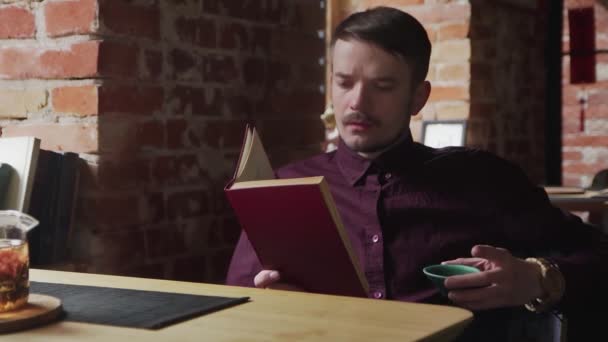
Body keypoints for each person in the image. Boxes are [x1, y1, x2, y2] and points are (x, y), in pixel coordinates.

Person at [226, 6, 608, 341]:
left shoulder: (483, 180)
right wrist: (269, 303)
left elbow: (597, 256)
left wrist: (538, 278)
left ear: (418, 98)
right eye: (344, 83)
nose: (357, 102)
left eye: (383, 86)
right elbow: (236, 307)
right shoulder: (285, 188)